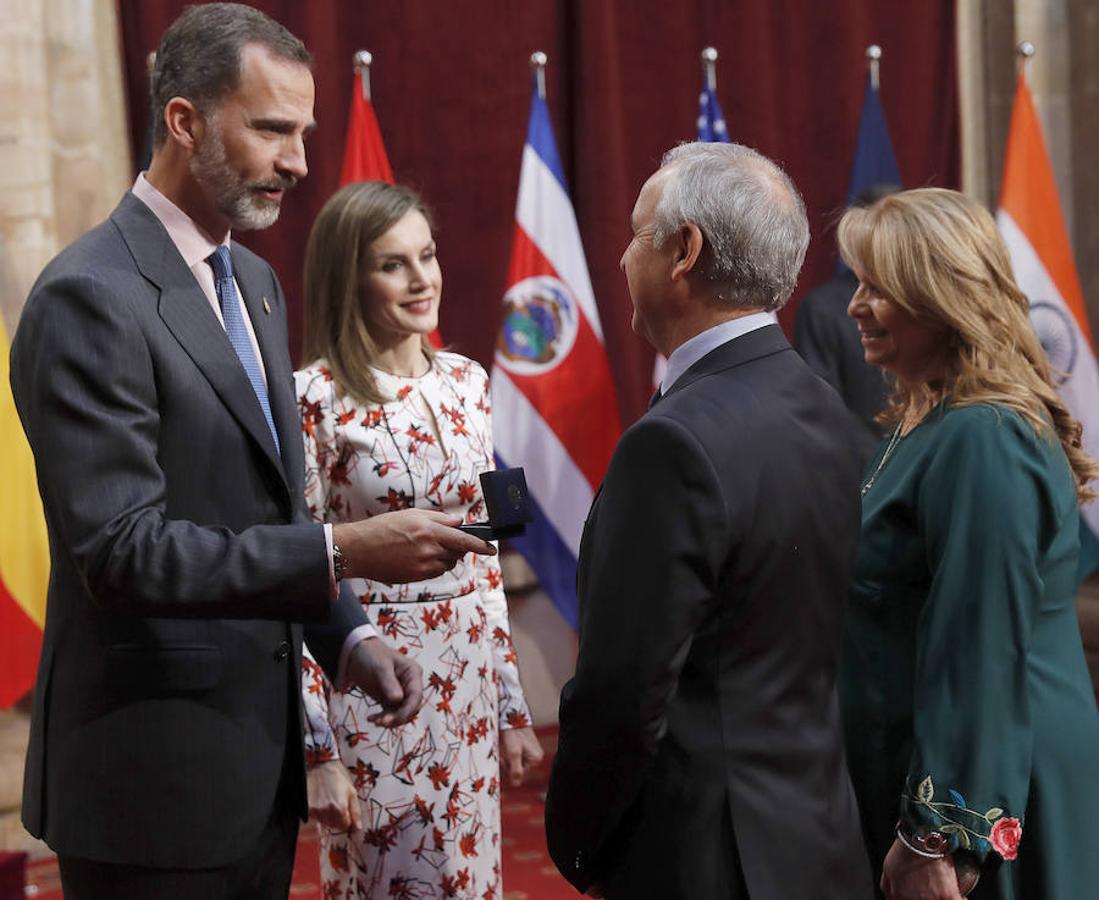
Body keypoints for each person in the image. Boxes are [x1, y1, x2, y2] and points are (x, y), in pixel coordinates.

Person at [8, 5, 492, 897]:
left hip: (254, 778)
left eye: (304, 131)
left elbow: (272, 510)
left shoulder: (258, 282)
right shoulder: (87, 296)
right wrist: (343, 551)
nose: (300, 160)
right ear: (184, 122)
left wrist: (345, 635)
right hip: (147, 788)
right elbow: (120, 551)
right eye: (272, 128)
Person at [544, 142, 875, 900]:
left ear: (683, 252)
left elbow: (621, 694)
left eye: (636, 234)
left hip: (705, 859)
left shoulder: (674, 442)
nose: (624, 256)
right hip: (817, 840)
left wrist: (578, 844)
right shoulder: (825, 406)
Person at [837, 187, 1099, 900]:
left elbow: (978, 645)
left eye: (878, 288)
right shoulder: (924, 420)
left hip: (996, 780)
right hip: (940, 754)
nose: (855, 306)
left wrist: (939, 833)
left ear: (941, 296)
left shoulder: (983, 436)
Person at [293, 181, 544, 899]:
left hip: (465, 685)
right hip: (373, 687)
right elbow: (300, 576)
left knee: (470, 883)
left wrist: (509, 707)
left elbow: (487, 552)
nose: (420, 279)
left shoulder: (467, 382)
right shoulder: (311, 397)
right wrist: (318, 749)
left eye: (426, 256)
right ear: (349, 278)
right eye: (392, 264)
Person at [794, 183, 898, 466]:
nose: (859, 308)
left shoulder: (924, 301)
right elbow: (823, 404)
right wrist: (884, 463)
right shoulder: (823, 309)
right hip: (861, 473)